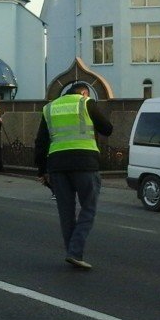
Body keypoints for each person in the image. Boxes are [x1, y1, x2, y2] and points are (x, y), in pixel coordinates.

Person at [34, 82, 114, 270]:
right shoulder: (85, 102)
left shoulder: (49, 108)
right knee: (88, 207)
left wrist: (42, 171)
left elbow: (40, 142)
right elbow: (107, 129)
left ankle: (73, 253)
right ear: (84, 92)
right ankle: (75, 252)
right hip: (85, 163)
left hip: (57, 165)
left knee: (66, 212)